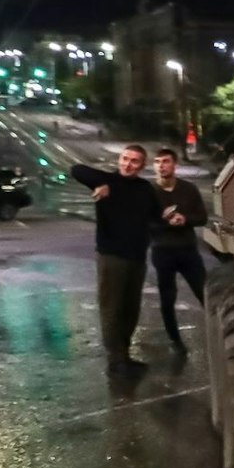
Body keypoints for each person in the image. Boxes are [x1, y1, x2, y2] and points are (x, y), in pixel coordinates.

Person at [71, 145, 160, 377]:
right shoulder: (107, 180)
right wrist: (100, 185)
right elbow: (76, 169)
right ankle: (116, 360)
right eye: (125, 159)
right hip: (112, 257)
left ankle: (125, 355)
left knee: (131, 309)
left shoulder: (144, 188)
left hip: (137, 257)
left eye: (134, 161)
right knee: (112, 308)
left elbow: (156, 216)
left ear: (142, 166)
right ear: (119, 160)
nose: (128, 164)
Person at [150, 147, 210, 352]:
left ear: (174, 165)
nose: (161, 166)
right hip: (162, 251)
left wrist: (184, 219)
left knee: (206, 293)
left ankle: (215, 335)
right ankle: (175, 340)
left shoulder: (188, 189)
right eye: (157, 162)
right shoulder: (149, 192)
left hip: (187, 251)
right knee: (167, 297)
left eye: (165, 161)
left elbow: (202, 217)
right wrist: (166, 222)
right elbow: (144, 223)